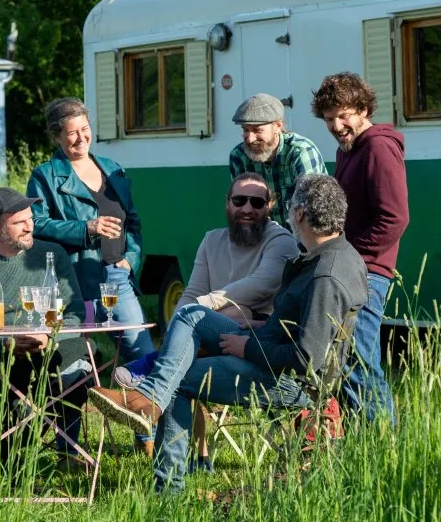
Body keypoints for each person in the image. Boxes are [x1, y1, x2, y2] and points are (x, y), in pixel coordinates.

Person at [90, 174, 367, 492]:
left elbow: (307, 360)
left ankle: (167, 488)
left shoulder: (326, 275)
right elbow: (306, 327)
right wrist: (264, 327)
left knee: (178, 379)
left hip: (290, 381)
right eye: (240, 200)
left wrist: (245, 348)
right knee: (193, 314)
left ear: (300, 214)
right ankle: (151, 396)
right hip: (268, 346)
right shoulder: (332, 256)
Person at [112, 172, 301, 468]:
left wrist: (202, 309)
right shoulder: (212, 240)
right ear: (228, 203)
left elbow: (261, 284)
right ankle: (185, 471)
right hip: (212, 338)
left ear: (270, 205)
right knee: (184, 354)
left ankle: (151, 380)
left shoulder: (281, 240)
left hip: (256, 339)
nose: (248, 209)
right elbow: (192, 292)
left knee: (231, 314)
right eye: (240, 200)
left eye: (257, 202)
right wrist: (189, 317)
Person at [26, 97, 156, 453]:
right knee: (72, 362)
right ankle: (69, 445)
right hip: (70, 282)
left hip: (116, 279)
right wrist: (86, 228)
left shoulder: (113, 168)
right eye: (71, 134)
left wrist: (131, 258)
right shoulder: (45, 176)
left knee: (142, 354)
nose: (81, 139)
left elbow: (134, 222)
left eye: (85, 130)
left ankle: (148, 437)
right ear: (57, 137)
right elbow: (34, 224)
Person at [0, 187, 90, 468]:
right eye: (19, 222)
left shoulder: (53, 255)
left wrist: (48, 335)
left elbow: (75, 314)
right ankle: (10, 459)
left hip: (52, 347)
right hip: (2, 355)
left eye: (30, 218)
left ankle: (59, 452)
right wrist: (5, 343)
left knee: (80, 363)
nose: (30, 226)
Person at [312, 72, 409, 426]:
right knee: (345, 362)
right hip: (349, 271)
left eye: (344, 115)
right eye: (329, 119)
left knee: (361, 363)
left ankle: (385, 447)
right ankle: (361, 446)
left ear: (364, 109)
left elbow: (395, 218)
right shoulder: (347, 150)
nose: (337, 126)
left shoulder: (380, 148)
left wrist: (352, 259)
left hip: (367, 274)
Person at [227, 92, 326, 228]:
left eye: (257, 130)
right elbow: (241, 209)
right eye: (245, 130)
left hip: (305, 237)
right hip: (264, 238)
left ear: (278, 126)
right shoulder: (238, 156)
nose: (250, 139)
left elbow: (312, 211)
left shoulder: (300, 152)